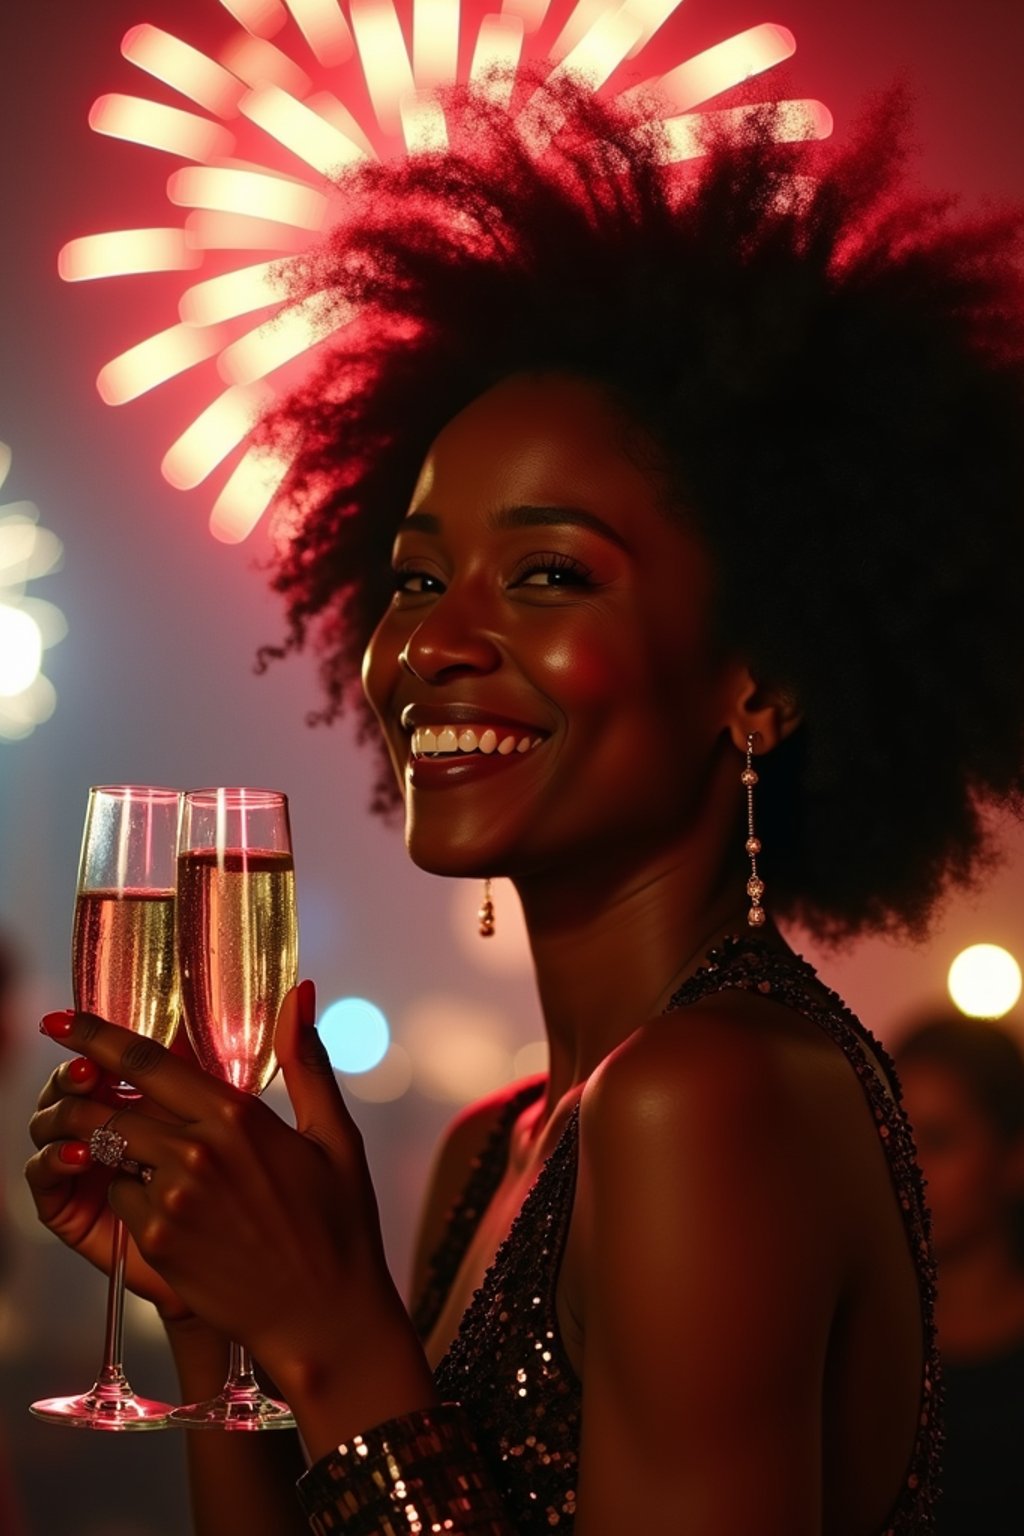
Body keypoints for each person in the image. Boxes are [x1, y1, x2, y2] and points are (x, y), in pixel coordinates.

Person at [24, 77, 1024, 1535]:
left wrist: (337, 1340)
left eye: (549, 574)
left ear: (764, 680)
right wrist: (226, 1318)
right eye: (419, 577)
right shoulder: (500, 1144)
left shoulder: (713, 1100)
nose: (432, 641)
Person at [895, 1015, 1024, 1534]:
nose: (910, 1166)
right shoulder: (864, 1347)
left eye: (941, 1139)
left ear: (1014, 1157)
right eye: (895, 1133)